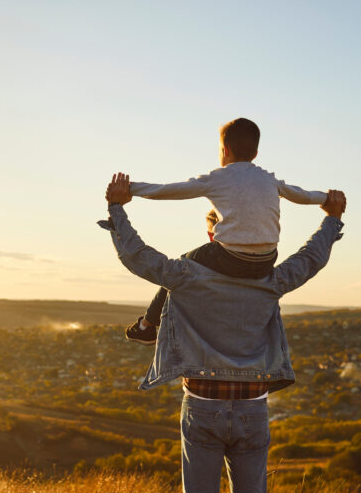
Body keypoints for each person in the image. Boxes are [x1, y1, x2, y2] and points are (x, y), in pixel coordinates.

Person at [100, 172, 346, 493]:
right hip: (254, 408)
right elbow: (310, 259)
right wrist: (331, 218)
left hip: (202, 406)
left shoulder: (187, 276)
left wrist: (118, 208)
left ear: (219, 231)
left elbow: (138, 256)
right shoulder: (272, 281)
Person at [118, 118, 343, 345]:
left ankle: (147, 326)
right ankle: (147, 324)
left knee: (182, 266)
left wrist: (130, 189)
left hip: (230, 257)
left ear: (224, 151)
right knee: (195, 261)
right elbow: (302, 195)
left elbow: (168, 190)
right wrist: (326, 199)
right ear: (255, 153)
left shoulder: (217, 178)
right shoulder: (270, 179)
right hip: (266, 261)